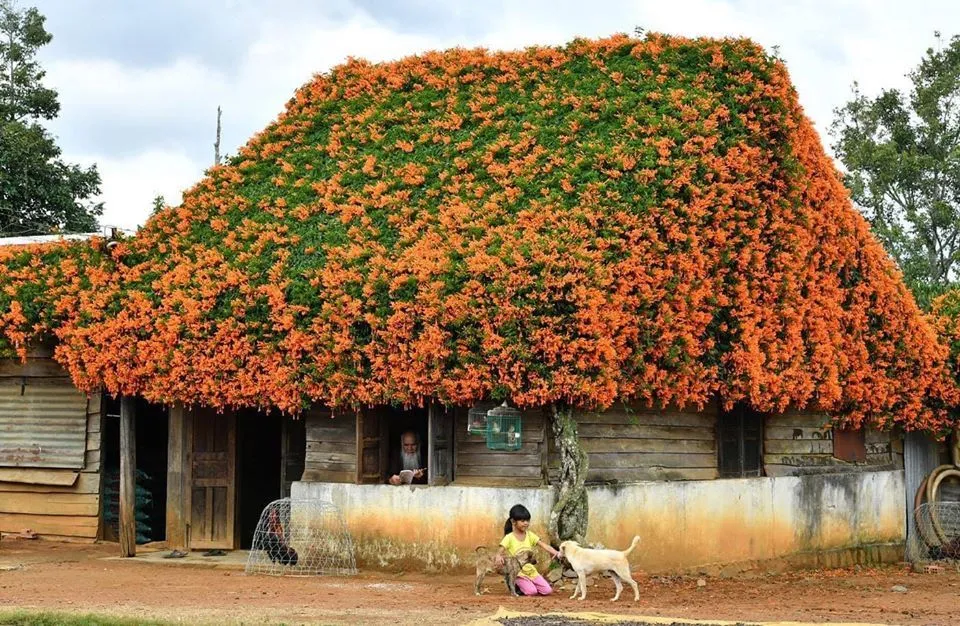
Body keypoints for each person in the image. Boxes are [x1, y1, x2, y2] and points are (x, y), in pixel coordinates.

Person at [495, 504, 559, 596]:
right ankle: (514, 584)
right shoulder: (509, 537)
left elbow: (545, 546)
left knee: (547, 590)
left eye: (528, 520)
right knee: (531, 592)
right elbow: (500, 551)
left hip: (531, 571)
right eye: (522, 521)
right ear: (513, 521)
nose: (526, 523)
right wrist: (498, 556)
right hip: (518, 574)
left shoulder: (530, 535)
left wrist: (557, 553)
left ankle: (528, 584)